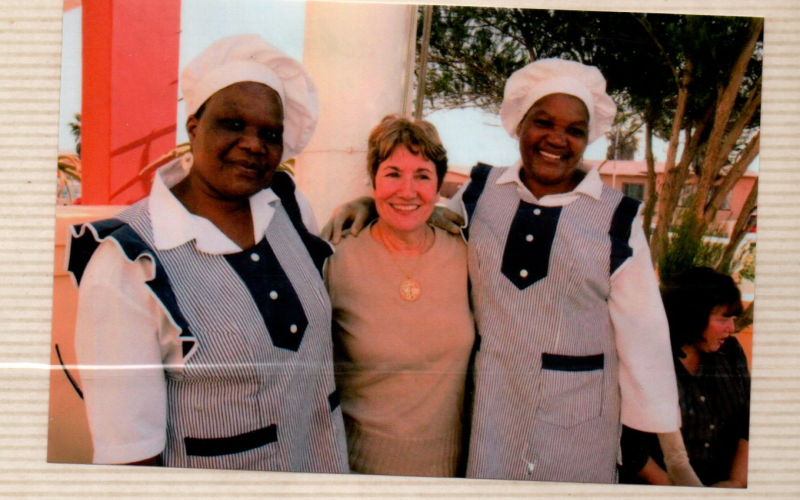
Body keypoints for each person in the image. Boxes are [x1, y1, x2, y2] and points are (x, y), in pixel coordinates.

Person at [326, 58, 699, 485]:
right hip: (491, 423)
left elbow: (644, 337)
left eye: (575, 130)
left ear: (588, 138)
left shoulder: (617, 217)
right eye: (543, 122)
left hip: (579, 433)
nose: (557, 139)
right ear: (520, 123)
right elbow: (418, 209)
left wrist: (665, 452)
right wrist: (368, 205)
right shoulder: (481, 191)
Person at [68, 35, 348, 472]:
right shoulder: (127, 262)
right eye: (233, 124)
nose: (254, 144)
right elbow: (130, 457)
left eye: (269, 133)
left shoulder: (291, 211)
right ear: (194, 127)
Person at [325, 115, 474, 477]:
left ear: (439, 185)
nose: (407, 190)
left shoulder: (466, 253)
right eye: (392, 174)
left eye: (422, 176)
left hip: (448, 475)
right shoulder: (336, 256)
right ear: (373, 180)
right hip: (357, 471)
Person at [620, 267, 750, 487]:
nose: (732, 328)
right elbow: (630, 445)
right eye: (723, 319)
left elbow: (749, 419)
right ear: (693, 315)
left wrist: (736, 482)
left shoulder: (730, 352)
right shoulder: (648, 357)